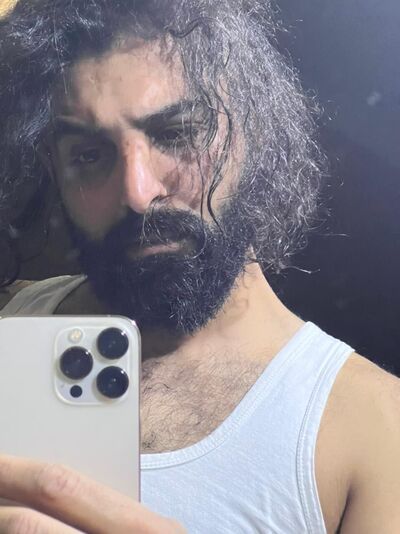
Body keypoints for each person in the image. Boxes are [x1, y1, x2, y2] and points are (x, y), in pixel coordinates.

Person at [0, 0, 399, 532]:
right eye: (89, 155)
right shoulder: (17, 317)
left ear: (256, 129)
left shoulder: (376, 432)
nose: (138, 192)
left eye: (178, 133)